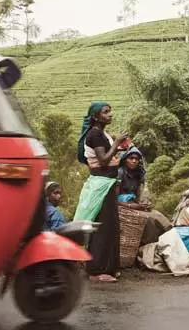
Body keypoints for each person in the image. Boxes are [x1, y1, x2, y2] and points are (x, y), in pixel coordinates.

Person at [73, 101, 127, 283]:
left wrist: (119, 148)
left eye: (110, 111)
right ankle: (96, 271)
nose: (110, 114)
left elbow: (107, 155)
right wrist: (117, 142)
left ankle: (109, 267)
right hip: (101, 185)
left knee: (110, 226)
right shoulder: (95, 134)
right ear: (96, 117)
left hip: (108, 183)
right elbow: (103, 160)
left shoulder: (102, 134)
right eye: (106, 112)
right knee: (102, 227)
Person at [117, 147, 171, 245]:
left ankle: (166, 238)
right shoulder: (120, 173)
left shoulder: (138, 175)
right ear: (125, 159)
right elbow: (113, 198)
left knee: (158, 215)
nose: (134, 161)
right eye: (131, 158)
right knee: (148, 219)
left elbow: (137, 196)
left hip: (133, 205)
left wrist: (143, 204)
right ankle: (147, 244)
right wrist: (130, 205)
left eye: (137, 159)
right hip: (121, 205)